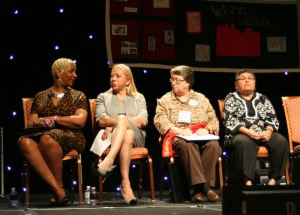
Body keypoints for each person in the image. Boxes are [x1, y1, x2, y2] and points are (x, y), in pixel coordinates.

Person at [18, 58, 88, 206]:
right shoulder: (41, 96)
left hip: (72, 136)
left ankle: (58, 189)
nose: (75, 75)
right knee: (24, 142)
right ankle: (58, 190)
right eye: (71, 71)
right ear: (58, 73)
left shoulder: (78, 95)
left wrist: (55, 119)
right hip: (45, 136)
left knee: (47, 138)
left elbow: (80, 121)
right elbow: (30, 123)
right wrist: (40, 121)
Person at [154, 65, 221, 202]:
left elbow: (213, 118)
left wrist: (207, 129)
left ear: (188, 82)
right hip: (176, 135)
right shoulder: (165, 100)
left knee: (214, 146)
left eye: (177, 80)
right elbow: (160, 120)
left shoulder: (201, 98)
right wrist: (179, 130)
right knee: (188, 145)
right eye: (172, 80)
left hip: (199, 135)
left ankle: (198, 191)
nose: (173, 83)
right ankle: (205, 188)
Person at [92, 64, 148, 205]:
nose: (113, 79)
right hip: (111, 139)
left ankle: (109, 161)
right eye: (112, 75)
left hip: (138, 137)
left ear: (128, 80)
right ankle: (126, 184)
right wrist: (119, 124)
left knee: (125, 125)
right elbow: (101, 120)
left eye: (118, 76)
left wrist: (115, 124)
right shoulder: (103, 96)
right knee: (126, 134)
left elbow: (142, 121)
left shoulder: (138, 97)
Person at [223, 69, 289, 186]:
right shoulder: (231, 97)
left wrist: (269, 131)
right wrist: (248, 132)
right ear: (236, 85)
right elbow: (230, 120)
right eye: (242, 78)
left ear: (255, 83)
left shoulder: (262, 98)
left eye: (250, 78)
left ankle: (273, 180)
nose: (247, 80)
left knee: (280, 141)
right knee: (244, 142)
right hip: (241, 134)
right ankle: (248, 181)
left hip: (262, 133)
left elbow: (272, 118)